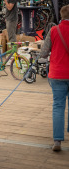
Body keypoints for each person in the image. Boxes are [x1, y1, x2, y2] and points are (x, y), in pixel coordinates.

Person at [40, 5, 69, 151]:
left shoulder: (54, 30)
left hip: (57, 74)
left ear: (61, 17)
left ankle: (57, 141)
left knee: (58, 106)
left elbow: (44, 53)